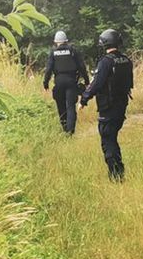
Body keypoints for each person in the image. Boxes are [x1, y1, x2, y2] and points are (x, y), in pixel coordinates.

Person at [80, 28, 134, 181]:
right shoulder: (126, 60)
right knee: (113, 137)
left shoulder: (106, 62)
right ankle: (118, 171)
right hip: (121, 106)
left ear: (104, 44)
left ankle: (116, 175)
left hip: (107, 107)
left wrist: (84, 99)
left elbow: (97, 84)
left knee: (107, 140)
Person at [43, 30, 89, 135]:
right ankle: (70, 131)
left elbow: (48, 69)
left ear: (56, 42)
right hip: (71, 81)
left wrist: (45, 83)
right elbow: (81, 67)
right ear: (66, 41)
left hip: (59, 82)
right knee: (71, 106)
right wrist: (86, 81)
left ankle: (64, 128)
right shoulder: (73, 51)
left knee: (61, 106)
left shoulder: (53, 52)